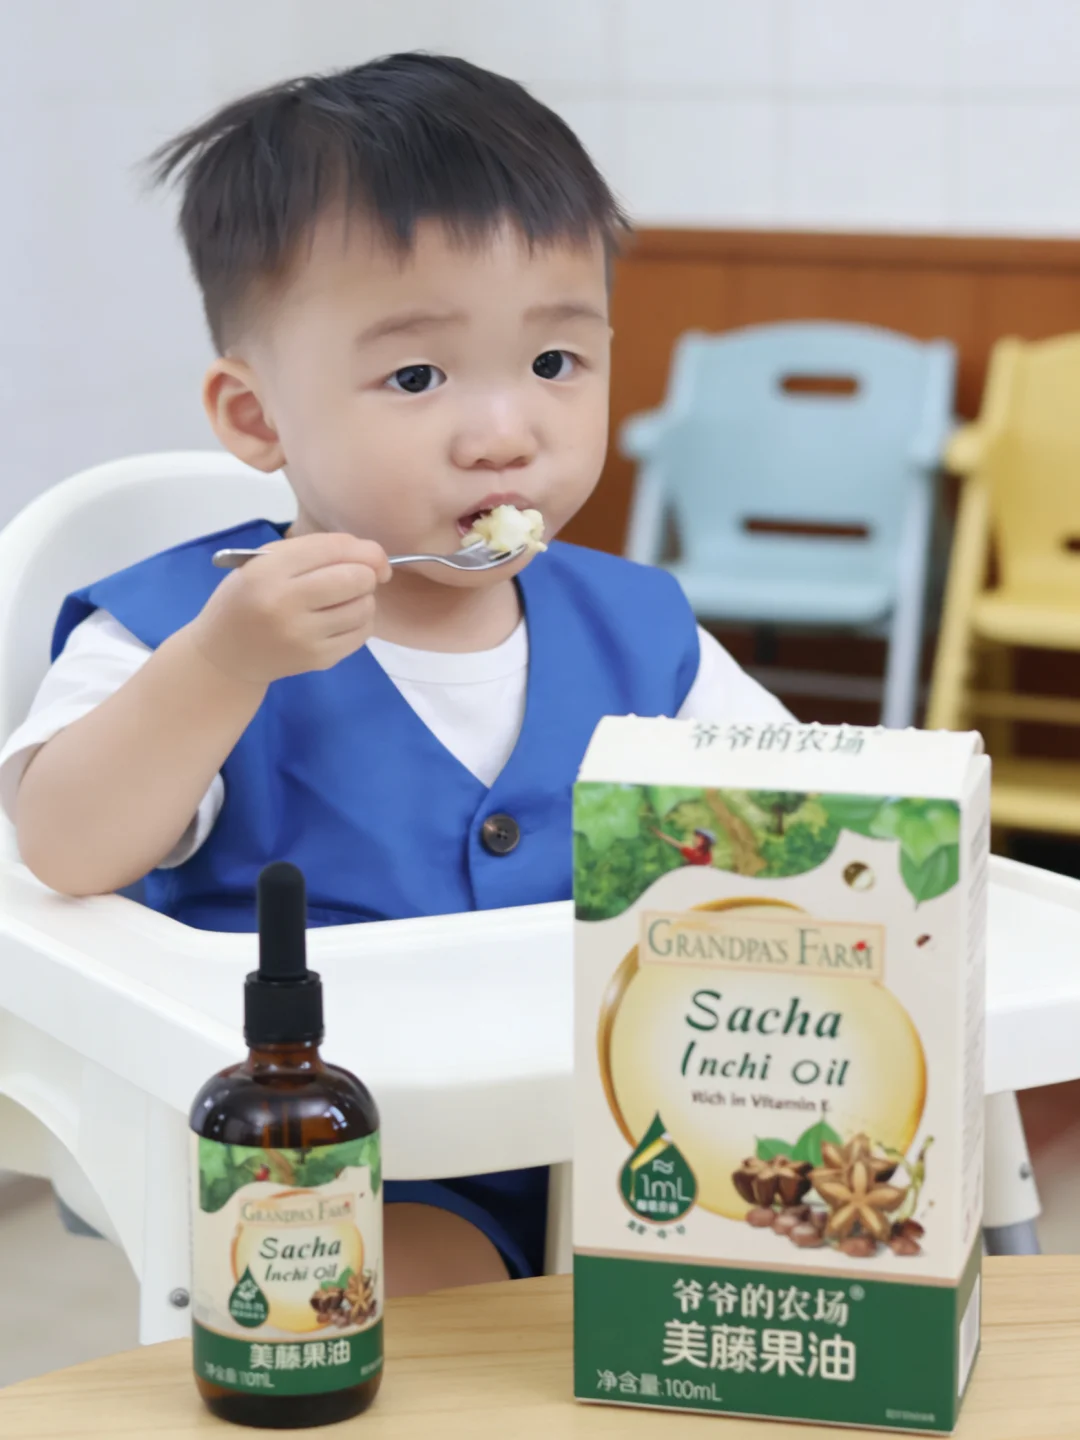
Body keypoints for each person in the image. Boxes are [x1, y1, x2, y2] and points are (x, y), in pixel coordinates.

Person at [0, 53, 790, 1294]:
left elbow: (796, 816)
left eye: (555, 363)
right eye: (417, 377)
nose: (505, 434)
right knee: (429, 1309)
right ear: (257, 417)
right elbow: (62, 846)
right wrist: (221, 665)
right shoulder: (180, 630)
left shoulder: (644, 630)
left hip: (618, 1119)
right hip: (321, 1161)